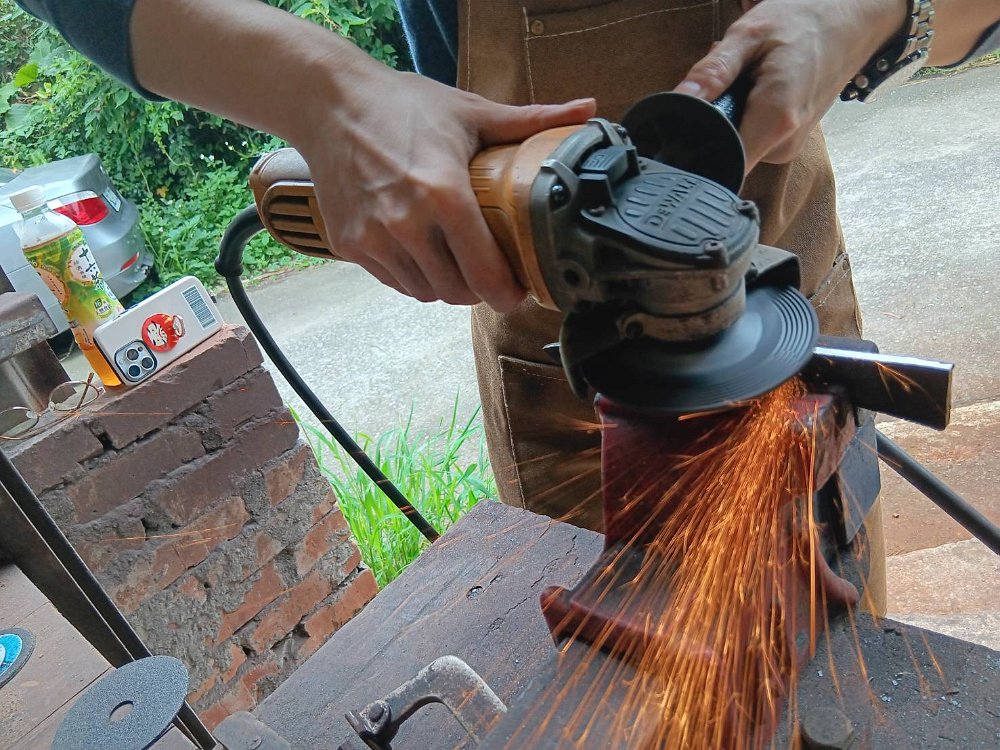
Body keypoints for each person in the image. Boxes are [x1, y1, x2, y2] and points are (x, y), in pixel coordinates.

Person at [15, 0, 1000, 607]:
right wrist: (321, 90)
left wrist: (876, 8)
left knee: (849, 668)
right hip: (581, 398)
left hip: (795, 311)